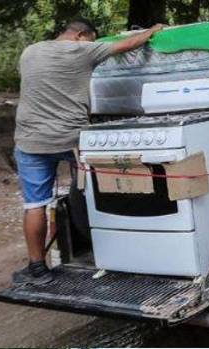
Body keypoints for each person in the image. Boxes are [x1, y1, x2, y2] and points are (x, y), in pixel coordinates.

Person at [11, 18, 164, 285]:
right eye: (92, 38)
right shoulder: (83, 50)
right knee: (96, 190)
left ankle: (37, 269)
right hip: (72, 140)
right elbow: (129, 44)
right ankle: (115, 252)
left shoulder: (30, 51)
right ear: (82, 35)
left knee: (34, 205)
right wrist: (153, 30)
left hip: (30, 141)